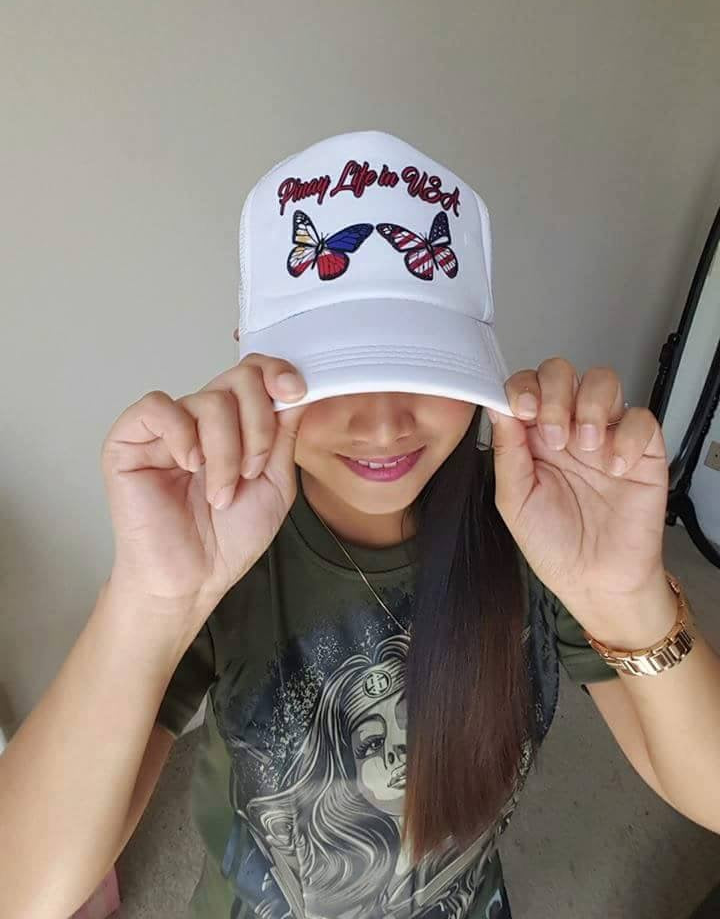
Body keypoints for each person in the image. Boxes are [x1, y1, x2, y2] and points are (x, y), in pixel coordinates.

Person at [2, 131, 719, 919]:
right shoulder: (222, 543)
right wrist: (150, 602)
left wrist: (628, 597)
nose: (382, 428)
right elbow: (24, 893)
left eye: (424, 368)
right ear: (253, 361)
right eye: (335, 368)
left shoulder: (540, 524)